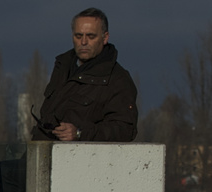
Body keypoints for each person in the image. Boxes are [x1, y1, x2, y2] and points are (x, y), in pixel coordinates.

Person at [32, 7, 138, 143]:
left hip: (80, 159)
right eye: (78, 36)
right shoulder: (63, 67)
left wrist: (79, 133)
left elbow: (125, 129)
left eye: (91, 36)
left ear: (105, 37)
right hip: (43, 154)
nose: (83, 42)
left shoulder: (117, 80)